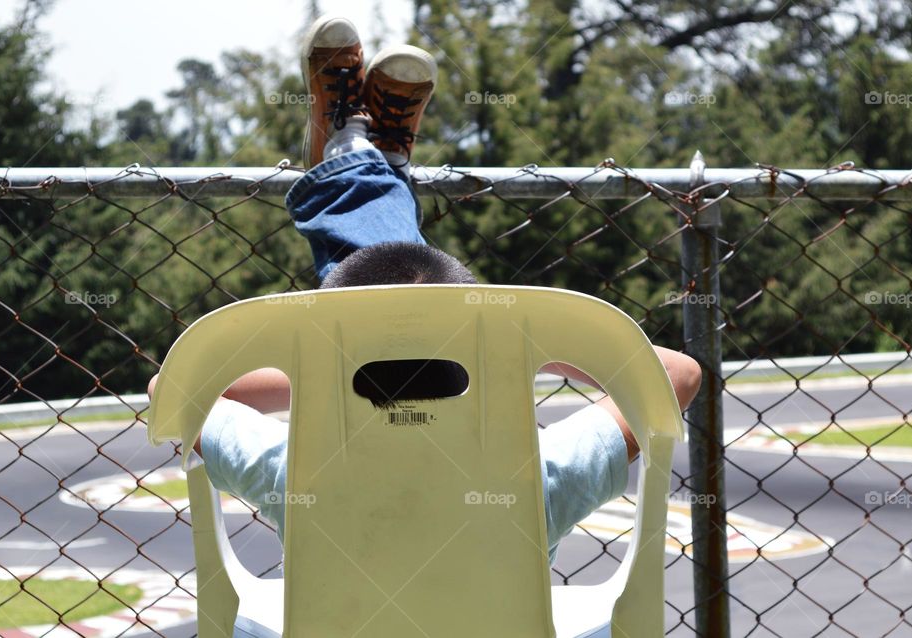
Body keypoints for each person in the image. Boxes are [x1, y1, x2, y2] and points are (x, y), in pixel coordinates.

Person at [146, 14, 702, 564]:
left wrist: (337, 370)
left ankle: (357, 163)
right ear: (475, 352)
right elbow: (679, 373)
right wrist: (508, 354)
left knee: (386, 287)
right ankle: (360, 166)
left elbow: (176, 389)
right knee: (397, 281)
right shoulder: (536, 478)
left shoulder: (295, 472)